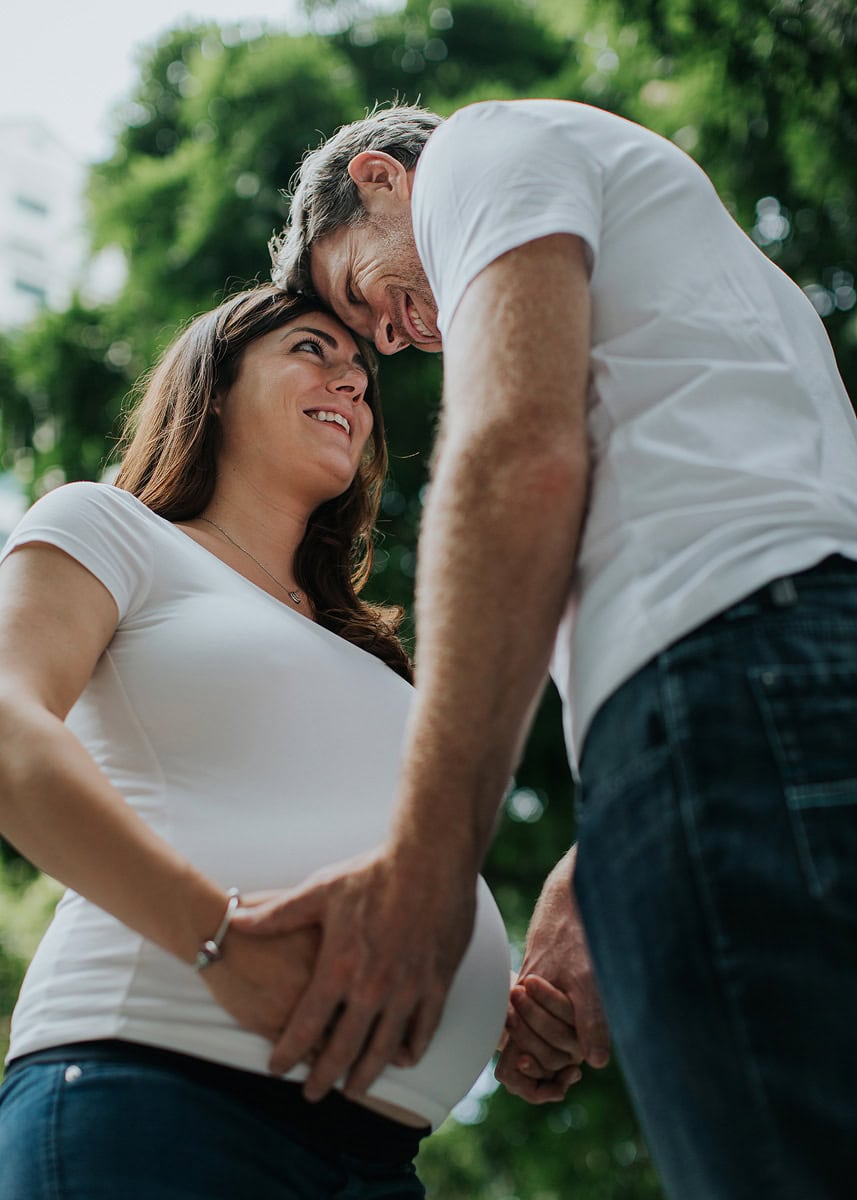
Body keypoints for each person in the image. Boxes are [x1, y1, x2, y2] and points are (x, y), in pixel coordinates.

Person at [244, 99, 857, 1199]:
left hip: (723, 700)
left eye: (356, 296)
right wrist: (592, 862)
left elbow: (517, 456)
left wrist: (425, 874)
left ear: (381, 178)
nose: (390, 341)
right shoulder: (725, 289)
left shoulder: (484, 147)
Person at [0, 283, 517, 1200]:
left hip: (378, 1159)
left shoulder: (375, 658)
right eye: (313, 350)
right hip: (157, 1095)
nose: (352, 381)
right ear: (213, 385)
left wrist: (482, 997)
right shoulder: (112, 528)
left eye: (362, 373)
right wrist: (216, 942)